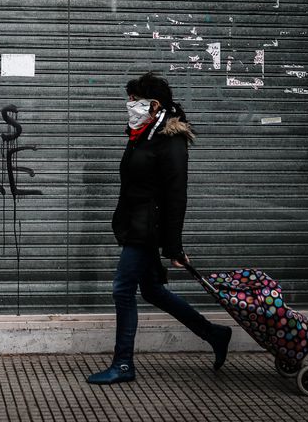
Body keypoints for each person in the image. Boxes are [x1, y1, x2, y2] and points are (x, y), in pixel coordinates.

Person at [87, 72, 232, 385]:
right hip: (135, 224)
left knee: (122, 289)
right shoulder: (144, 133)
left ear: (153, 105)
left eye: (133, 99)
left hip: (146, 229)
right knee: (152, 290)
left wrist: (174, 246)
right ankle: (215, 334)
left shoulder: (170, 141)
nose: (128, 105)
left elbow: (176, 196)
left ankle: (123, 364)